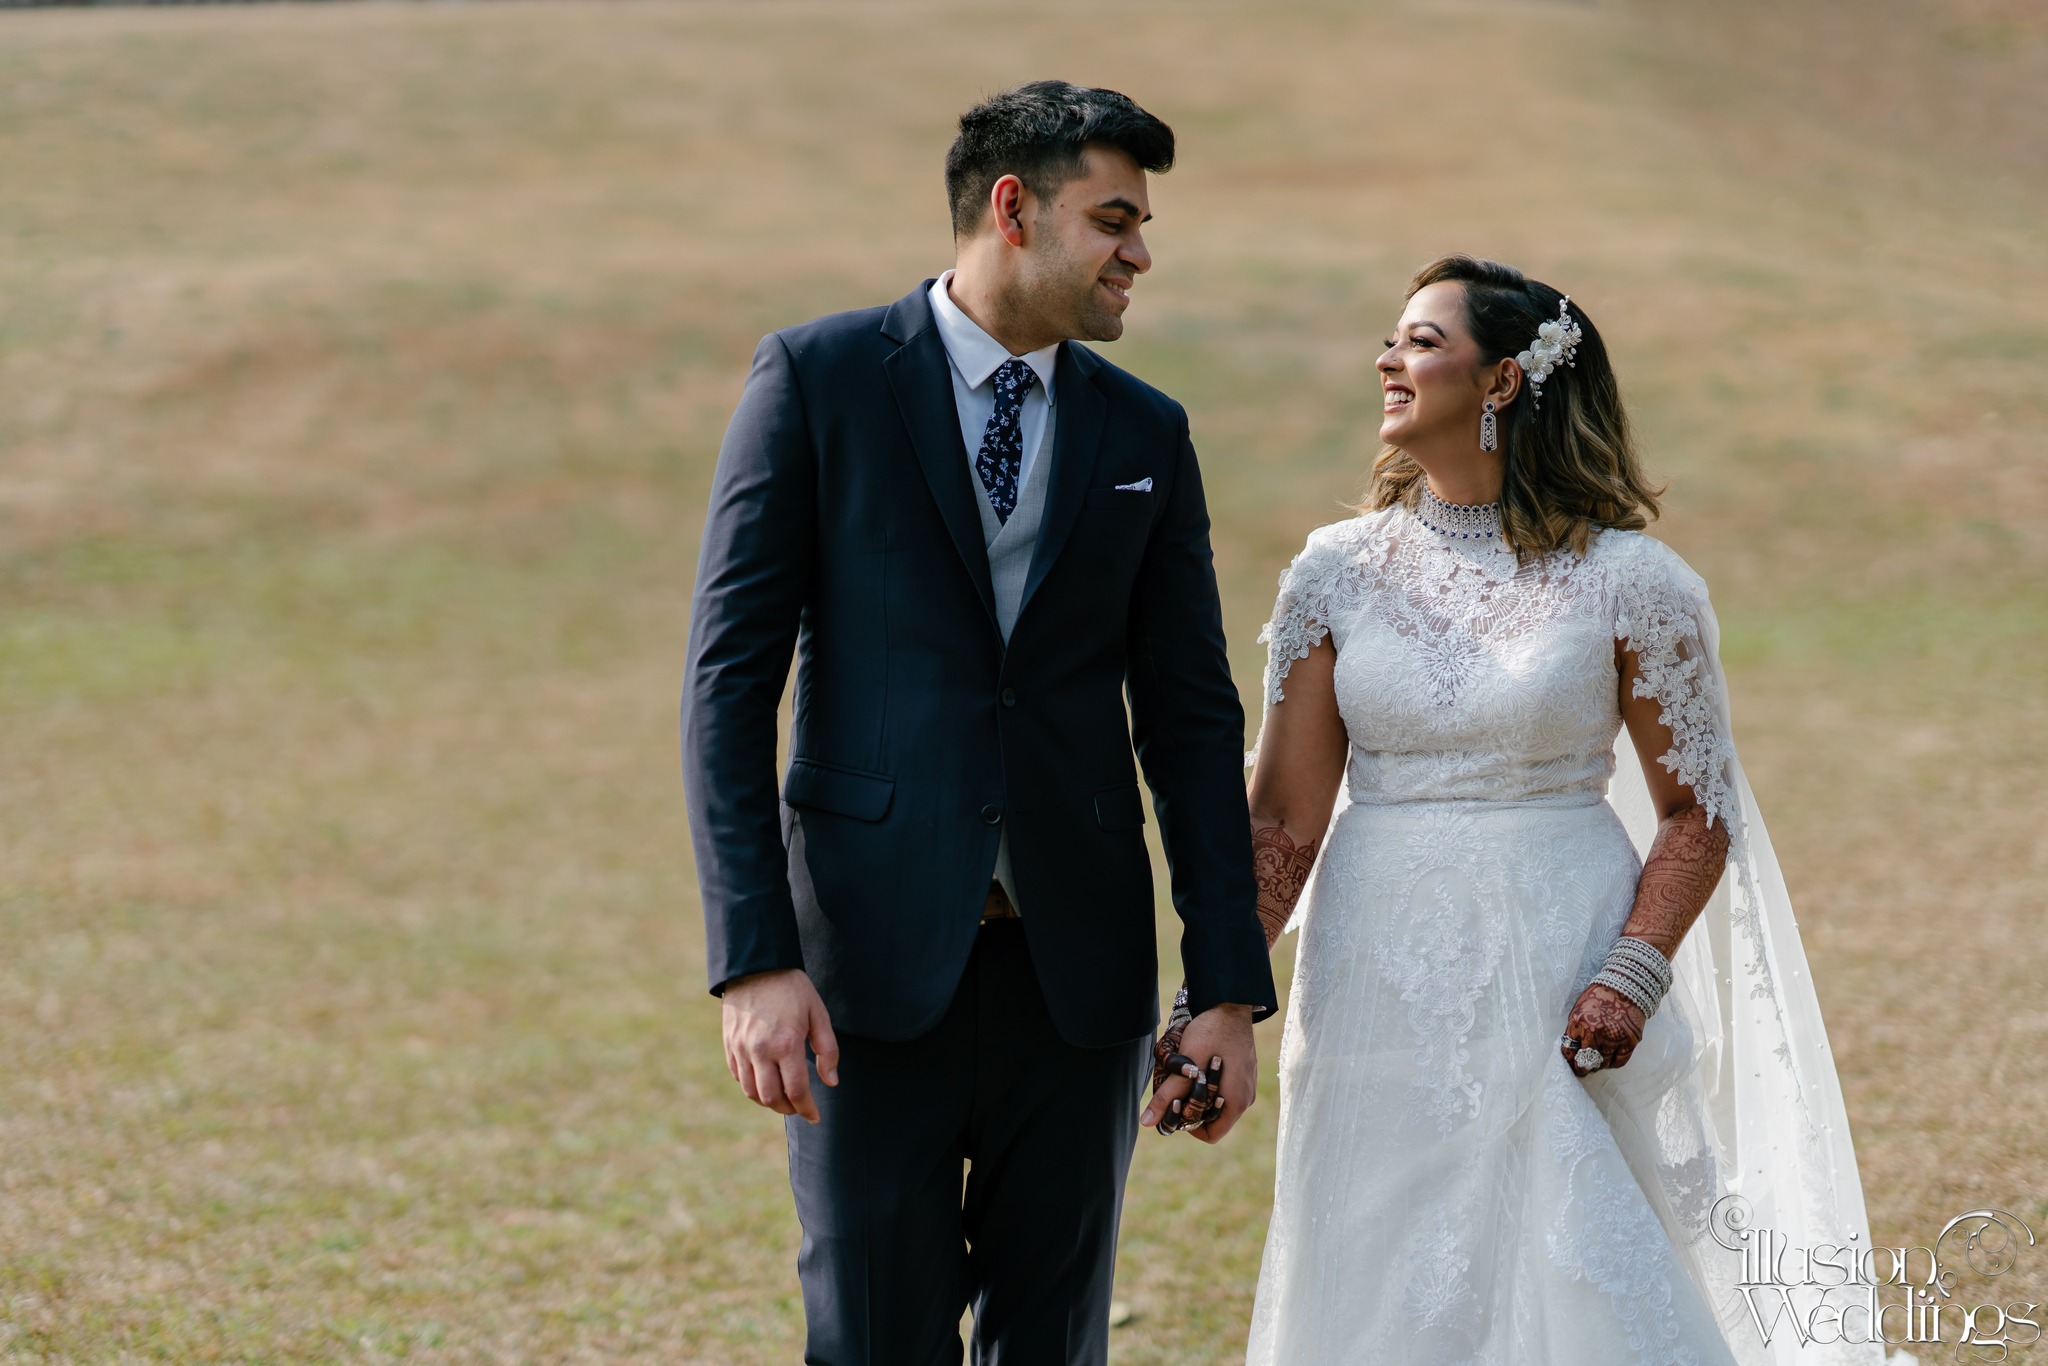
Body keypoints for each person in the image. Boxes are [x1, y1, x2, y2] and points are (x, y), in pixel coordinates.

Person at [681, 80, 1277, 1366]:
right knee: (870, 1339)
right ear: (1012, 209)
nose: (1139, 253)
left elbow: (1189, 718)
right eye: (1112, 219)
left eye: (1141, 224)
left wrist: (1224, 985)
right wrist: (753, 959)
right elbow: (727, 685)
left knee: (1053, 1344)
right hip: (861, 971)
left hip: (1077, 983)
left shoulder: (1145, 431)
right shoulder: (819, 380)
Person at [1238, 255, 1883, 1364]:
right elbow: (1284, 822)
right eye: (1392, 339)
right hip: (1373, 968)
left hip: (1559, 962)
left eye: (1420, 341)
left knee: (1570, 1247)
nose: (1386, 361)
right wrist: (1217, 989)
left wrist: (1629, 975)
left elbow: (1694, 812)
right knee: (1374, 1250)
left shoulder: (1633, 581)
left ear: (1502, 380)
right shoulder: (1333, 572)